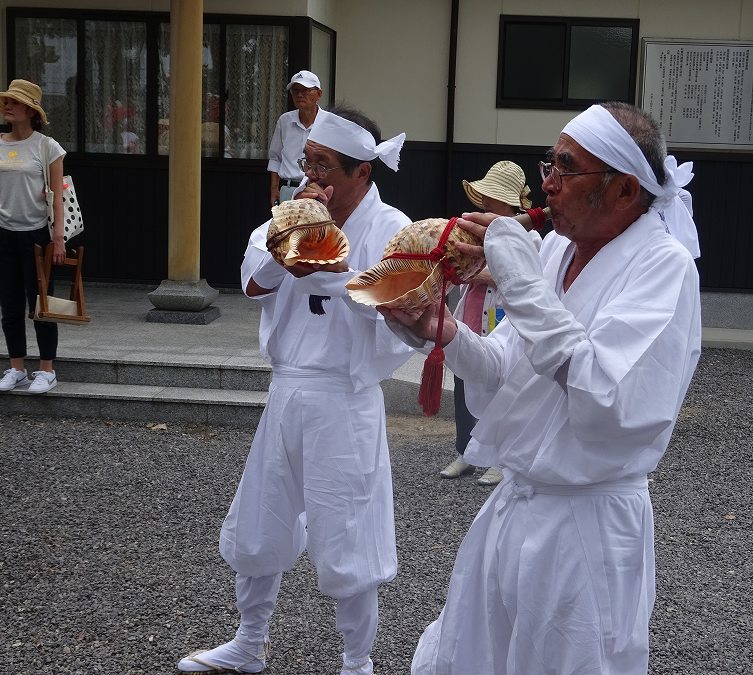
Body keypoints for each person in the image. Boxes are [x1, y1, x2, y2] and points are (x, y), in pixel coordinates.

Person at [383, 101, 702, 674]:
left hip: (588, 526)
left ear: (624, 190)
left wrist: (519, 279)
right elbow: (509, 368)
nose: (546, 183)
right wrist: (444, 332)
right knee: (474, 656)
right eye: (548, 164)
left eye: (564, 167)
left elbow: (598, 390)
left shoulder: (664, 268)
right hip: (516, 506)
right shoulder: (556, 249)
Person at [177, 105, 413, 675]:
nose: (312, 175)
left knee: (349, 531)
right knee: (263, 519)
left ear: (363, 173)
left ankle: (358, 662)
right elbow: (252, 280)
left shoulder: (393, 228)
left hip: (346, 396)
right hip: (287, 390)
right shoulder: (285, 215)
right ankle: (249, 641)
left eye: (326, 165)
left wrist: (332, 266)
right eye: (308, 161)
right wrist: (292, 248)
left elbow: (400, 309)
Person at [440, 160, 535, 487]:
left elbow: (512, 277)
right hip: (472, 314)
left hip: (504, 321)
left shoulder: (530, 239)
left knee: (502, 387)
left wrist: (469, 271)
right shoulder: (475, 230)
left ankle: (500, 458)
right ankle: (466, 452)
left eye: (493, 197)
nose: (486, 202)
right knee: (465, 383)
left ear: (510, 203)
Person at [0, 79, 66, 395]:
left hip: (37, 236)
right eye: (6, 101)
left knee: (41, 304)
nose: (7, 106)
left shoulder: (47, 146)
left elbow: (58, 197)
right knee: (10, 305)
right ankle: (16, 367)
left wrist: (59, 239)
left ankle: (46, 370)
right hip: (4, 234)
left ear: (30, 110)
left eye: (13, 102)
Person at [268, 70, 323, 207]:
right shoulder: (284, 121)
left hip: (315, 190)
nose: (299, 95)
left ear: (318, 94)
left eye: (305, 90)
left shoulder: (328, 123)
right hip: (287, 189)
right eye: (295, 91)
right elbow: (275, 157)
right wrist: (274, 189)